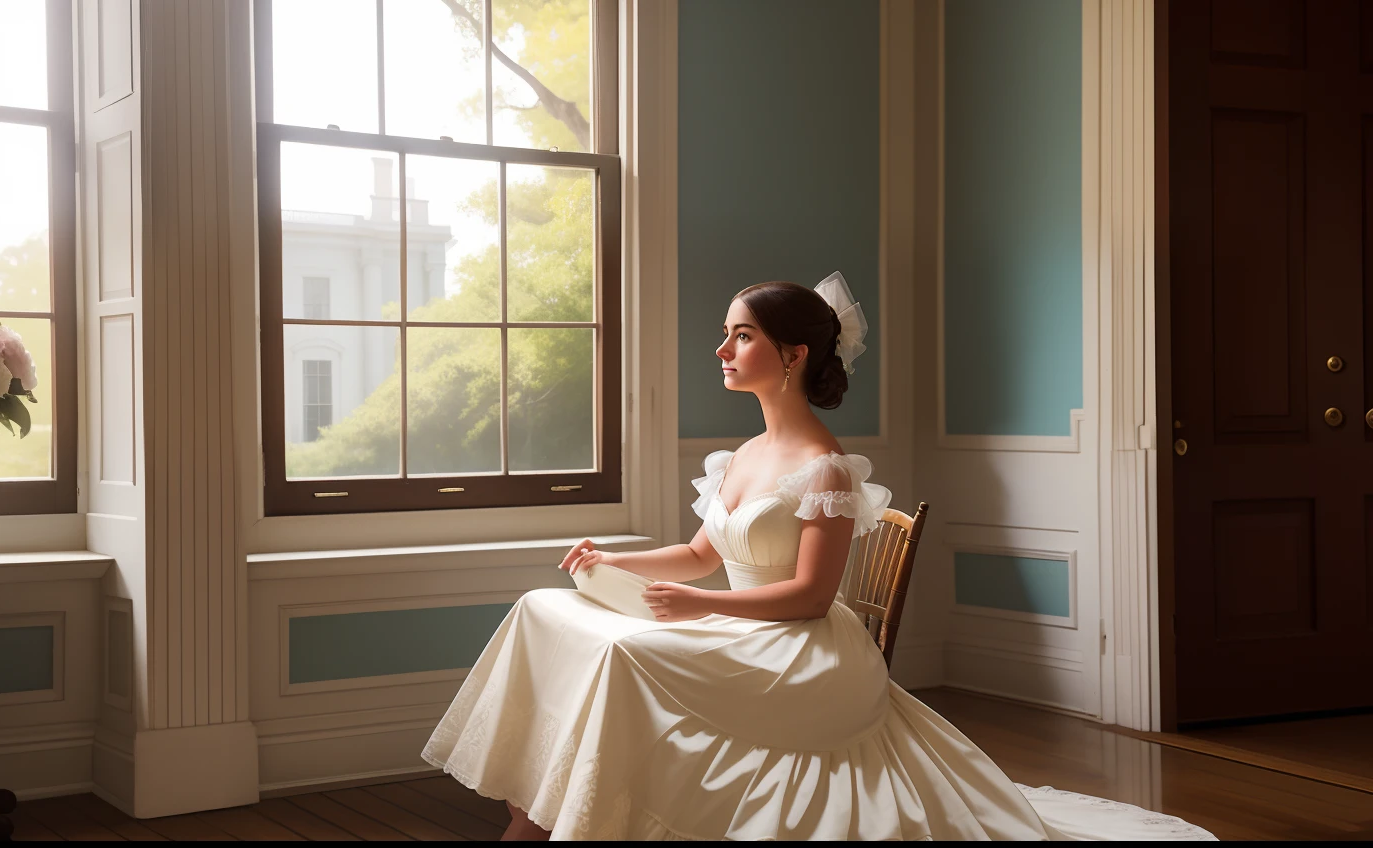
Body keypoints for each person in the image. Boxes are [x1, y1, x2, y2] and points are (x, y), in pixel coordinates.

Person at [422, 273, 1213, 841]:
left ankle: (577, 821)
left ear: (792, 354)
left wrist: (697, 606)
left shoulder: (826, 468)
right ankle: (536, 814)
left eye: (742, 334)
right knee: (549, 611)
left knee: (625, 658)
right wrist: (617, 561)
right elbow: (700, 554)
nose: (722, 347)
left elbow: (806, 597)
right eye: (729, 332)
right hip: (738, 627)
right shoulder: (741, 453)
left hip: (800, 650)